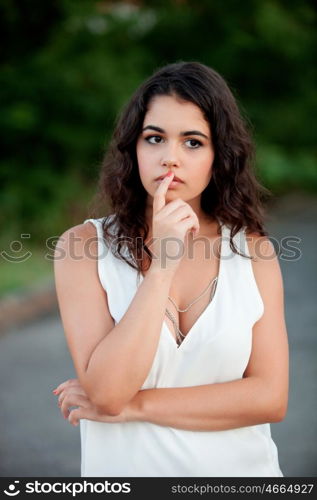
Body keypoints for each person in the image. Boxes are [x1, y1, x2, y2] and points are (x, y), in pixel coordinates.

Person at [53, 61, 289, 477]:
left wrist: (137, 407)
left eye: (193, 142)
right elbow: (107, 393)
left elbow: (270, 397)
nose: (170, 159)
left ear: (219, 155)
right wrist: (161, 266)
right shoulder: (83, 246)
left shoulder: (254, 252)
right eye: (155, 138)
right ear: (134, 148)